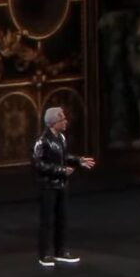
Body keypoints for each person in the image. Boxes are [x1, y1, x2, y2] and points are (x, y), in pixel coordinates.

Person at [31, 106, 94, 267]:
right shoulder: (42, 141)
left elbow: (64, 156)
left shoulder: (61, 138)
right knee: (47, 221)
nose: (65, 122)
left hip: (62, 185)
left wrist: (78, 160)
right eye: (62, 119)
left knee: (62, 218)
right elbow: (38, 164)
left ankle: (60, 251)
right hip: (48, 186)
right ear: (54, 122)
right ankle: (44, 254)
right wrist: (60, 170)